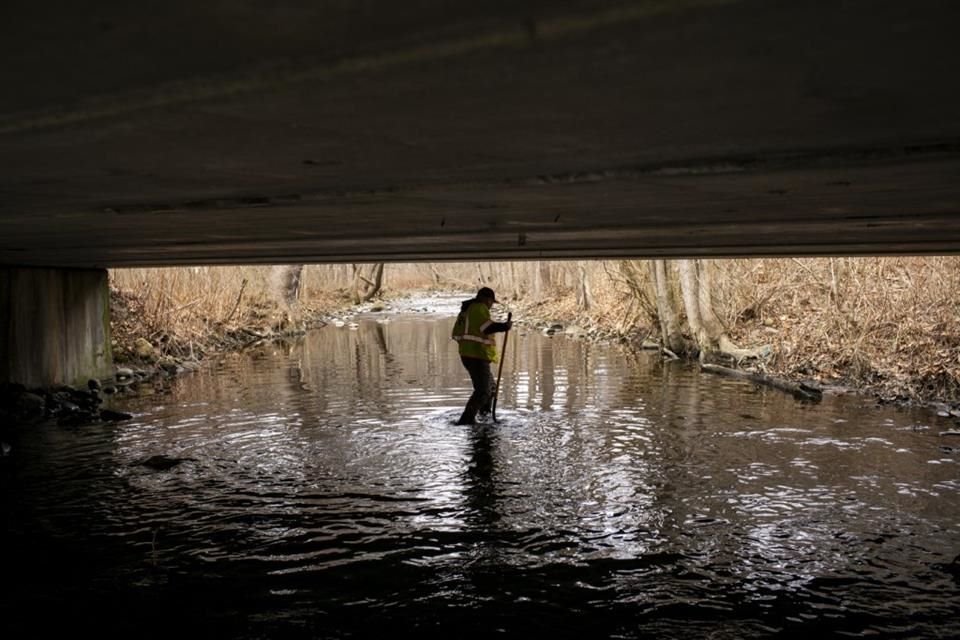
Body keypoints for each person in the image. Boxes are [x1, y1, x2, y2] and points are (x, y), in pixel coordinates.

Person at [451, 286, 512, 425]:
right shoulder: (478, 308)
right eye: (491, 302)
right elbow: (486, 327)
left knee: (491, 388)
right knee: (483, 391)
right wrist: (505, 326)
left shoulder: (468, 309)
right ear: (486, 299)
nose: (490, 306)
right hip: (475, 355)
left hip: (472, 354)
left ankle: (484, 414)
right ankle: (466, 420)